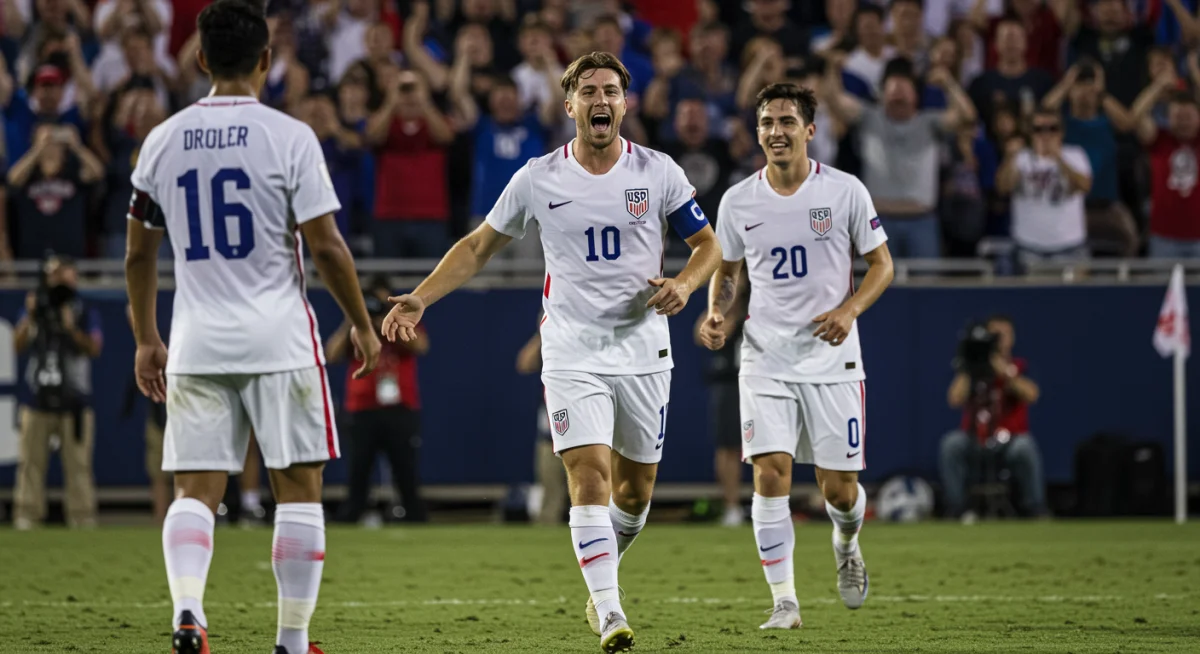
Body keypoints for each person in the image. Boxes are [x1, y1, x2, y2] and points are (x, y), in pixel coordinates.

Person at [381, 51, 722, 653]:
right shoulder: (539, 177)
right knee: (587, 477)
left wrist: (686, 285)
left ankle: (599, 584)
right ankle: (612, 613)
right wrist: (422, 298)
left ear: (626, 103)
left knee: (636, 494)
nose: (600, 100)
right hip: (569, 349)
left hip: (643, 350)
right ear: (569, 105)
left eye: (611, 91)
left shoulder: (658, 171)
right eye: (587, 91)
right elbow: (478, 246)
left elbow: (707, 244)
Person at [123, 3, 381, 654]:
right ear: (267, 60)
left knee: (194, 490)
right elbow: (326, 247)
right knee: (298, 490)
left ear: (202, 59)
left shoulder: (163, 139)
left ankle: (188, 612)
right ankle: (292, 641)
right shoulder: (290, 137)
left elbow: (137, 253)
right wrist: (361, 323)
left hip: (196, 338)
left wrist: (146, 337)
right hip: (280, 339)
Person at [700, 83, 894, 630]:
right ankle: (784, 601)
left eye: (787, 121)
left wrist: (849, 311)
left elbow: (882, 265)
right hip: (765, 356)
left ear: (811, 130)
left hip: (833, 357)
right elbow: (729, 272)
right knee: (771, 473)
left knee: (840, 490)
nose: (775, 132)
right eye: (766, 122)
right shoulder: (739, 200)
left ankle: (847, 543)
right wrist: (718, 313)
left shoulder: (845, 191)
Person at [328, 275, 429, 525]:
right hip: (362, 408)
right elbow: (331, 354)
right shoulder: (357, 328)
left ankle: (414, 516)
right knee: (358, 469)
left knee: (405, 469)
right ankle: (353, 515)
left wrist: (393, 321)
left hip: (400, 407)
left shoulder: (402, 321)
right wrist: (354, 321)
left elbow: (422, 346)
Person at [12, 255, 103, 530]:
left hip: (74, 399)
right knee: (30, 464)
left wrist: (70, 328)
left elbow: (94, 348)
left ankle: (82, 517)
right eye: (55, 276)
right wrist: (29, 316)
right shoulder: (36, 306)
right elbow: (17, 345)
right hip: (37, 397)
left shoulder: (84, 309)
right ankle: (27, 516)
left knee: (78, 467)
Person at [940, 315, 1044, 520]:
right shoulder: (972, 368)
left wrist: (1002, 369)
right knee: (951, 444)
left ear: (1012, 338)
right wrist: (969, 366)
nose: (1000, 339)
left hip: (1009, 442)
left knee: (1025, 446)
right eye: (995, 335)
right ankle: (957, 509)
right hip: (975, 440)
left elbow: (1031, 394)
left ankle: (1035, 509)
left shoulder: (1018, 365)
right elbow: (954, 399)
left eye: (1004, 334)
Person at [995, 109, 1092, 265]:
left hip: (1070, 245)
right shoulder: (1021, 158)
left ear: (1061, 132)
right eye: (1038, 130)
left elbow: (1085, 186)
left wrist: (1058, 158)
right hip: (1029, 246)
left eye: (1052, 129)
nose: (1045, 135)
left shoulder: (1075, 154)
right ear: (1031, 133)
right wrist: (1010, 157)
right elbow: (1003, 187)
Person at [693, 269, 749, 527]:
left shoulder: (759, 305)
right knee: (727, 448)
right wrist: (725, 307)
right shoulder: (720, 308)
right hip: (728, 383)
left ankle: (772, 504)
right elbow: (700, 333)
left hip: (760, 381)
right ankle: (731, 507)